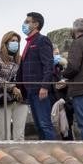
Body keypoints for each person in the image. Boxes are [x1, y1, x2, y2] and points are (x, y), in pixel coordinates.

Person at [16, 12, 56, 140]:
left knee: (45, 124)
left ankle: (52, 150)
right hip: (30, 90)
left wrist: (44, 86)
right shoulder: (29, 42)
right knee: (39, 125)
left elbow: (48, 65)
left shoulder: (42, 40)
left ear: (36, 24)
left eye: (27, 22)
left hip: (40, 90)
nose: (24, 24)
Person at [0, 32, 28, 140]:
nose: (15, 43)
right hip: (4, 100)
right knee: (5, 135)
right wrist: (12, 87)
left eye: (17, 41)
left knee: (20, 135)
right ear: (5, 43)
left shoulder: (22, 60)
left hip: (21, 100)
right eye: (12, 41)